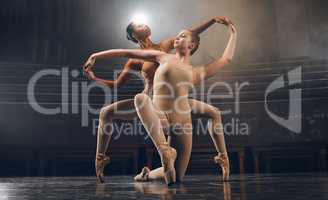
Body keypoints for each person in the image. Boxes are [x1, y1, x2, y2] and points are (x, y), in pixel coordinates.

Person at [84, 17, 235, 183]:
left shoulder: (186, 64)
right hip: (154, 106)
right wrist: (95, 56)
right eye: (178, 36)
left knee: (178, 177)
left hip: (180, 114)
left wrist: (227, 29)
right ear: (134, 35)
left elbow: (223, 57)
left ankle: (148, 174)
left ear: (191, 45)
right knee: (136, 100)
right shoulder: (161, 56)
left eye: (182, 37)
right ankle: (160, 152)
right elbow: (124, 53)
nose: (177, 38)